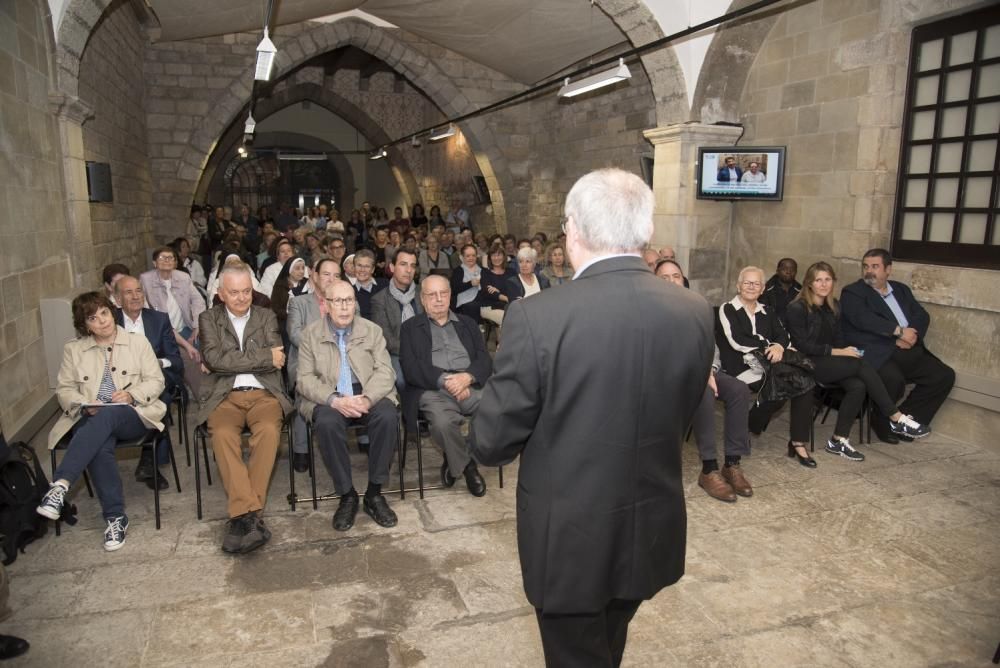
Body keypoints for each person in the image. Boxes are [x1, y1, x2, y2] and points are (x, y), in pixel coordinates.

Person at [472, 168, 713, 667]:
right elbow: (685, 411)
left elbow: (492, 443)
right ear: (643, 233)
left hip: (570, 539)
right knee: (610, 639)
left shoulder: (538, 316)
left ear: (573, 231)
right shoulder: (692, 309)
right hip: (649, 522)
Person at [37, 291, 167, 551]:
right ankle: (115, 518)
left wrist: (131, 394)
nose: (102, 322)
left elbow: (156, 381)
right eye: (93, 319)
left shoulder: (137, 342)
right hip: (91, 417)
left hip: (134, 413)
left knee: (109, 413)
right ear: (85, 325)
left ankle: (61, 484)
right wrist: (84, 406)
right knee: (100, 444)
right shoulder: (74, 350)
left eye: (105, 313)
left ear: (112, 311)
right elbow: (64, 390)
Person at [786, 262, 930, 460]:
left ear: (833, 282)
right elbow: (801, 345)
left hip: (830, 361)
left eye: (827, 279)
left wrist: (846, 350)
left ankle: (838, 440)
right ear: (809, 283)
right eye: (818, 280)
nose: (823, 284)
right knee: (859, 364)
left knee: (858, 385)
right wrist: (838, 352)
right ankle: (895, 416)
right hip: (807, 363)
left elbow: (839, 337)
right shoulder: (797, 308)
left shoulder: (834, 306)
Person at [197, 263, 292, 554]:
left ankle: (241, 516)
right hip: (224, 396)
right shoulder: (208, 318)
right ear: (221, 293)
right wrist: (262, 355)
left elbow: (278, 359)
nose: (241, 298)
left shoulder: (266, 316)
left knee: (267, 432)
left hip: (264, 392)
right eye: (234, 292)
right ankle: (250, 516)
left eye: (247, 291)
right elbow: (215, 360)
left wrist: (234, 359)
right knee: (223, 435)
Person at [296, 281, 399, 531]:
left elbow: (386, 371)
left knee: (387, 415)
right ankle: (347, 495)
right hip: (329, 395)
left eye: (349, 300)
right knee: (327, 423)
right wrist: (334, 400)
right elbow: (304, 379)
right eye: (338, 301)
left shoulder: (372, 330)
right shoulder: (311, 334)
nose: (344, 307)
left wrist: (367, 398)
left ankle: (374, 493)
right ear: (326, 305)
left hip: (366, 391)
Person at [656, 259, 752, 501]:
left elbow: (712, 346)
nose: (671, 281)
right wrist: (699, 375)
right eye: (664, 277)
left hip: (704, 370)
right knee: (704, 392)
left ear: (683, 279)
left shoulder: (697, 307)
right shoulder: (649, 309)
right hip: (669, 378)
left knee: (739, 390)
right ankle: (709, 468)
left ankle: (732, 463)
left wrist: (708, 369)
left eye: (675, 275)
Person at [840, 249, 955, 444]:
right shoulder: (854, 292)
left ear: (888, 270)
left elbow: (921, 315)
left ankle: (907, 421)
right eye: (866, 266)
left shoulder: (901, 290)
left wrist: (912, 335)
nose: (869, 271)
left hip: (907, 348)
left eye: (875, 266)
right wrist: (898, 333)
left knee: (943, 376)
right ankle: (881, 421)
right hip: (878, 352)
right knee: (894, 380)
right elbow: (864, 320)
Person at [400, 275, 492, 497]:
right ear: (422, 299)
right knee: (442, 424)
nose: (439, 299)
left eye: (443, 293)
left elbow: (484, 358)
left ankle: (455, 457)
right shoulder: (410, 328)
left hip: (469, 385)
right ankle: (468, 467)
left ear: (451, 295)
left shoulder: (468, 323)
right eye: (432, 294)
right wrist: (447, 381)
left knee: (496, 410)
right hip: (433, 389)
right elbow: (411, 368)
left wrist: (467, 377)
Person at [717, 266, 818, 467]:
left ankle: (797, 441)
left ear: (763, 288)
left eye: (756, 283)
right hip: (740, 366)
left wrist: (779, 346)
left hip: (769, 364)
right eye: (747, 282)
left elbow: (783, 334)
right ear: (738, 286)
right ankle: (748, 424)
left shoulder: (768, 311)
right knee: (780, 388)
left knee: (805, 383)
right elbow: (737, 340)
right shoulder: (728, 309)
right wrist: (769, 345)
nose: (751, 287)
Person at [113, 275, 183, 490]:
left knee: (157, 396)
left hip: (156, 379)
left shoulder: (158, 319)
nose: (135, 296)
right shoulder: (110, 322)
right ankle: (148, 460)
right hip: (120, 383)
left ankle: (149, 461)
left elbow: (175, 360)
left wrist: (154, 362)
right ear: (117, 299)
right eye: (128, 292)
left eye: (138, 291)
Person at [287, 258, 343, 472]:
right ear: (315, 276)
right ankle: (301, 448)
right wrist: (324, 353)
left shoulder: (347, 303)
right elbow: (295, 335)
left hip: (340, 363)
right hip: (306, 363)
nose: (332, 279)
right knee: (307, 388)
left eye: (337, 275)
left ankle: (363, 436)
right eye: (327, 274)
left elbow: (354, 336)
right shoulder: (299, 303)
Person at [140, 246, 205, 362]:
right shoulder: (145, 280)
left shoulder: (183, 277)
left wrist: (196, 326)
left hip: (184, 327)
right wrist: (186, 344)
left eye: (171, 258)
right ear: (154, 263)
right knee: (180, 359)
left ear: (175, 263)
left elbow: (198, 301)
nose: (167, 260)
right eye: (162, 257)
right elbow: (148, 313)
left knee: (203, 351)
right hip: (162, 333)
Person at [371, 249, 422, 390]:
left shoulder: (423, 294)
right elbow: (386, 339)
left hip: (426, 348)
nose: (409, 270)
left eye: (412, 265)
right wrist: (414, 350)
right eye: (403, 264)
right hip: (396, 353)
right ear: (392, 267)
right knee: (401, 380)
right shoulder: (380, 300)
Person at [760, 258, 801, 326]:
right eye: (784, 269)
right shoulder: (765, 289)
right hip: (771, 332)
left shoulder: (801, 291)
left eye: (792, 269)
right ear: (777, 271)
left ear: (796, 272)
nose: (788, 272)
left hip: (795, 332)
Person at [479, 246, 513, 328]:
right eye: (493, 255)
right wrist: (506, 297)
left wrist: (499, 291)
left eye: (499, 255)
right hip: (489, 307)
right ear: (490, 258)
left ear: (504, 256)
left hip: (509, 305)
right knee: (508, 319)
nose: (496, 258)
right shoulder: (485, 273)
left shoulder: (511, 272)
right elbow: (488, 293)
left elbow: (515, 289)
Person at [450, 244, 483, 320]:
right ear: (462, 257)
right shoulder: (458, 271)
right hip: (464, 302)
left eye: (473, 255)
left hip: (481, 299)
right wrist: (470, 283)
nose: (471, 258)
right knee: (472, 306)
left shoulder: (482, 270)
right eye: (468, 256)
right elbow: (454, 289)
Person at [352, 249, 388, 319]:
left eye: (367, 266)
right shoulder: (350, 291)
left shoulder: (385, 284)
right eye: (359, 265)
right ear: (354, 267)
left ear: (372, 269)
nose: (362, 269)